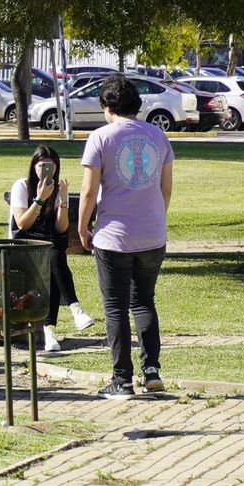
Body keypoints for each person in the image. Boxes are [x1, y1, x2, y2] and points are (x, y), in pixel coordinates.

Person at [78, 75, 174, 400]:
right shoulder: (158, 136)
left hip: (113, 237)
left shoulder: (100, 137)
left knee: (116, 307)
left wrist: (82, 227)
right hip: (152, 234)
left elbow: (89, 191)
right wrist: (156, 218)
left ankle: (121, 379)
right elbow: (165, 189)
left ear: (108, 107)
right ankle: (152, 372)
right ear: (137, 105)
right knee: (144, 301)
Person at [8, 146, 96, 352]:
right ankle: (74, 310)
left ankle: (51, 332)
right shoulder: (22, 186)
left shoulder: (57, 189)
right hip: (23, 247)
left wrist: (62, 201)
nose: (46, 169)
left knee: (54, 258)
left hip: (47, 246)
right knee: (54, 258)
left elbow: (61, 228)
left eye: (51, 165)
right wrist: (39, 199)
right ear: (34, 166)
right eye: (41, 165)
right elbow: (22, 224)